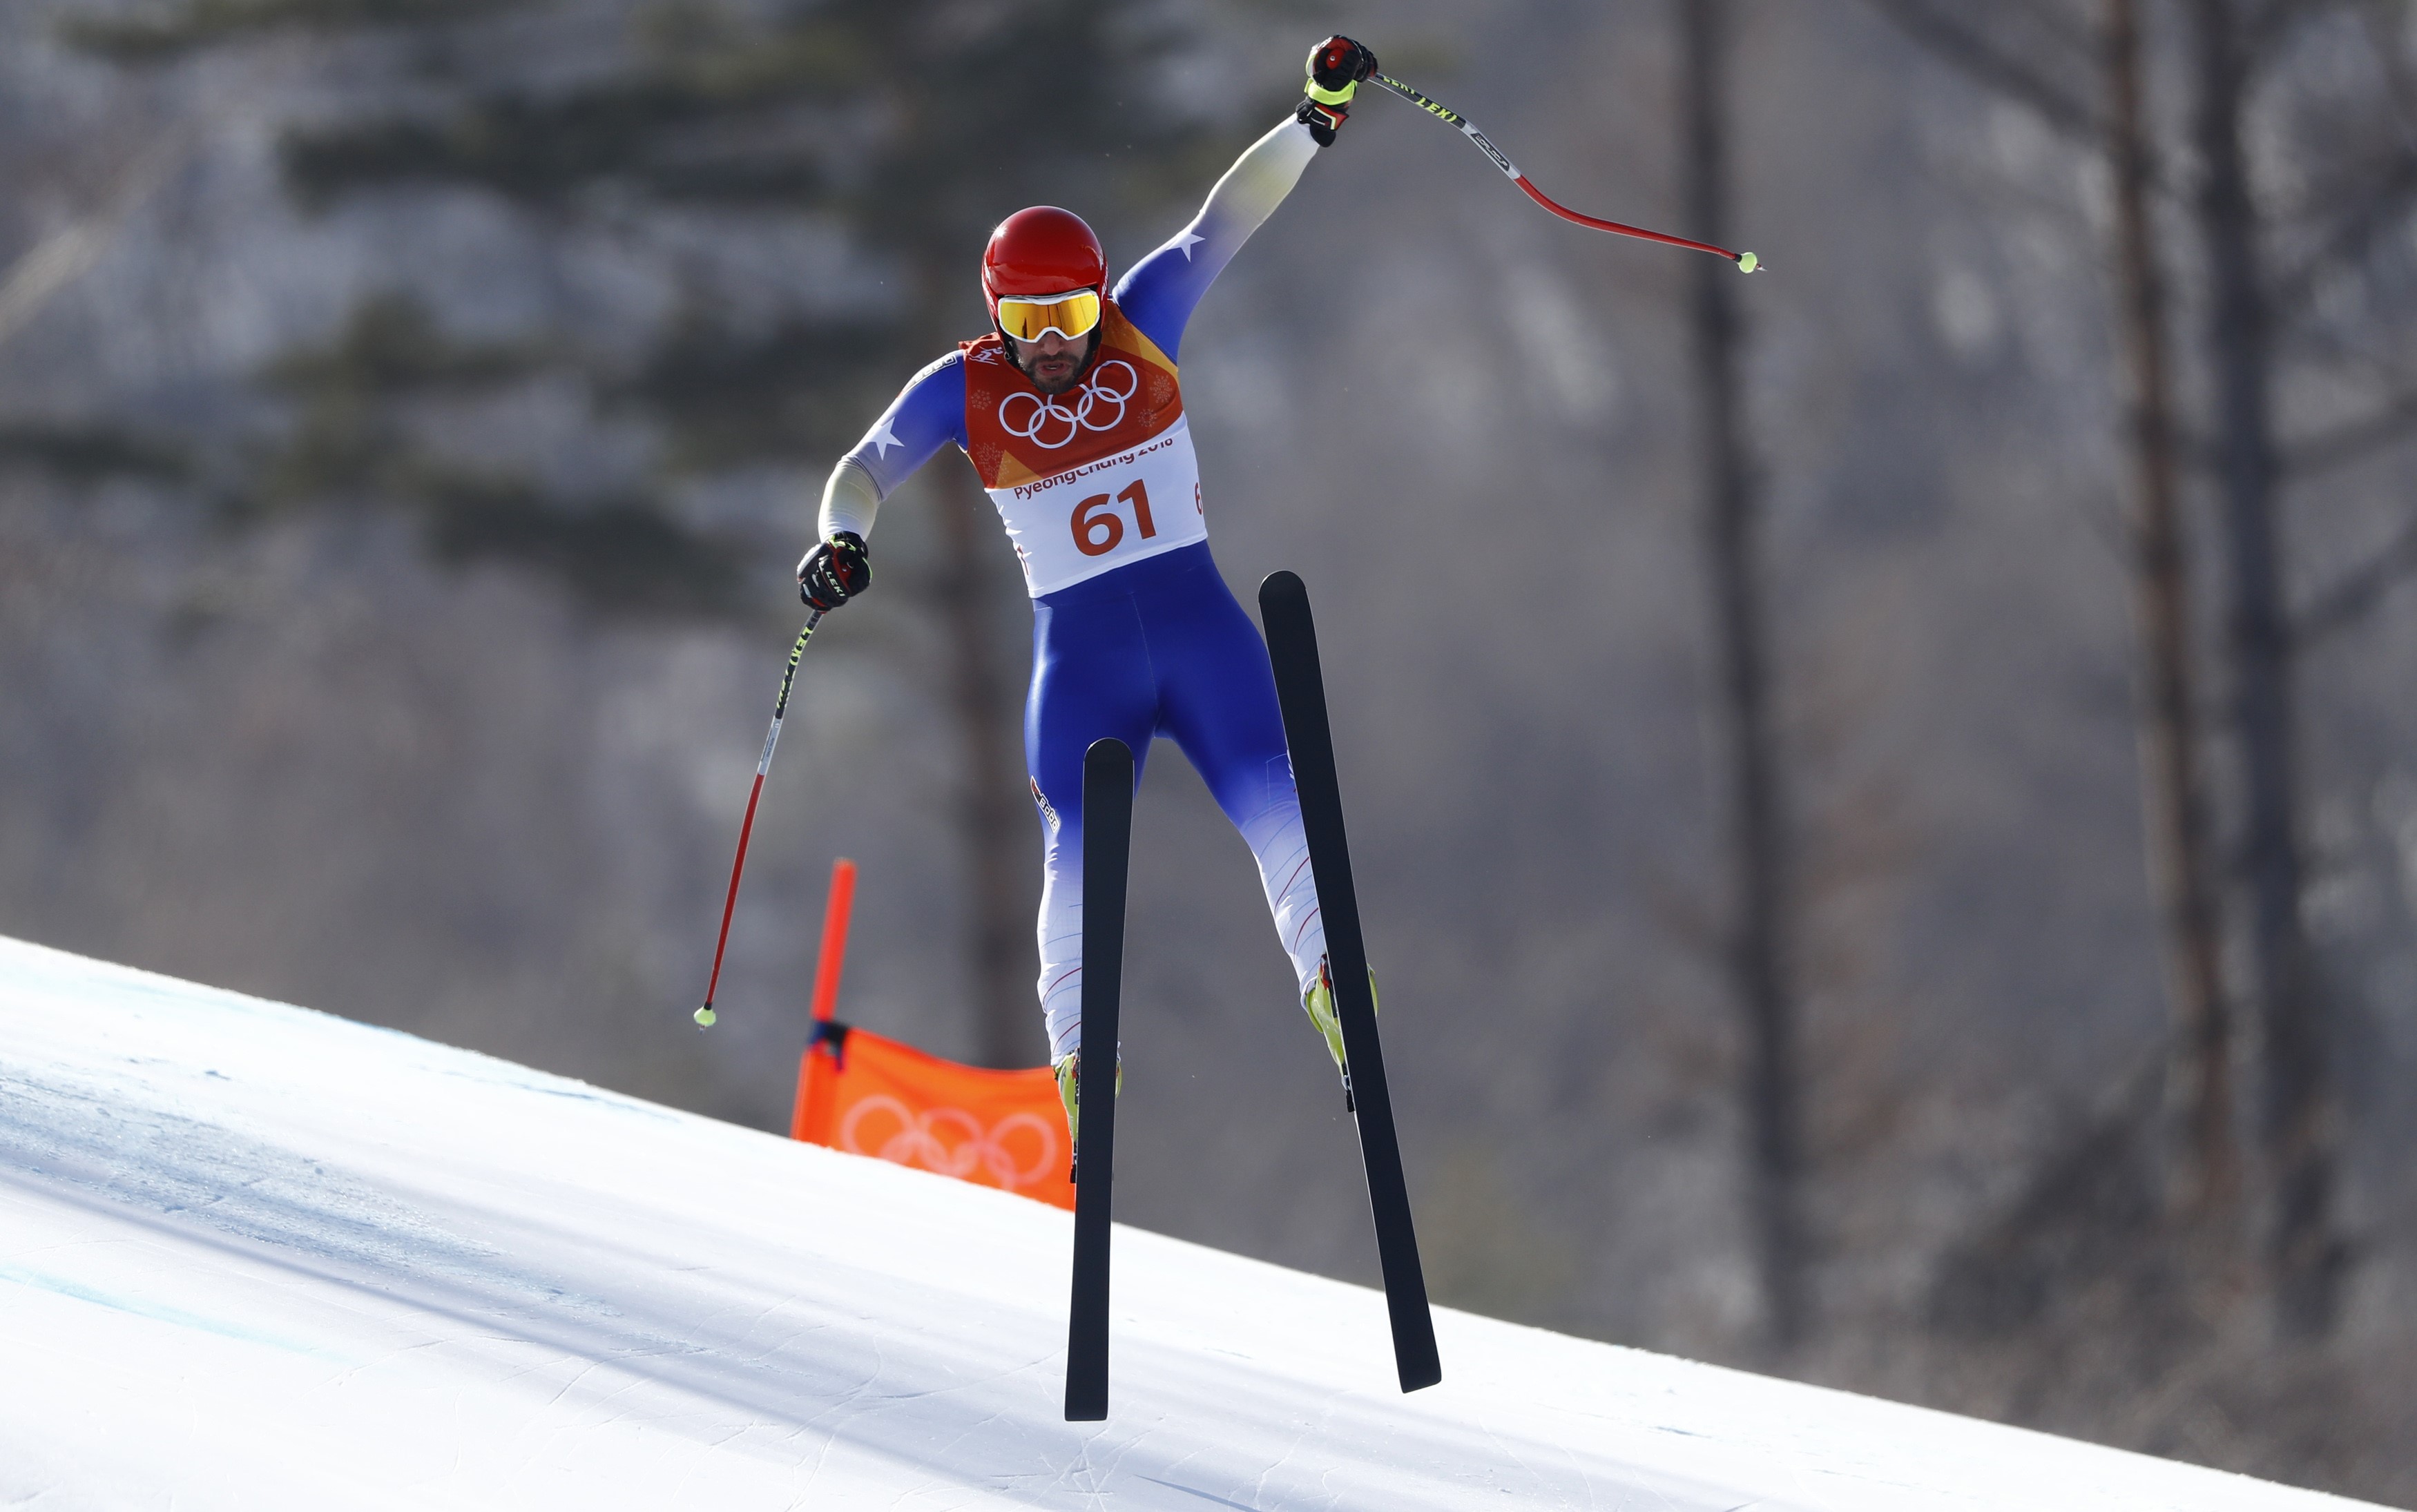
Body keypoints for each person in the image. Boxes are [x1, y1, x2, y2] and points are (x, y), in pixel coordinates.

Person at [798, 37, 1383, 1138]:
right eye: (1029, 326)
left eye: (1069, 319)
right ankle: (1080, 1053)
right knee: (1073, 846)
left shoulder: (1144, 319)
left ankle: (1331, 983)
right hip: (1082, 666)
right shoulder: (963, 389)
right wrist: (842, 542)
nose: (1055, 348)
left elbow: (1225, 218)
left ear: (1098, 300)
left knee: (1277, 793)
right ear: (995, 317)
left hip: (1200, 635)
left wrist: (1315, 117)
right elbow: (863, 470)